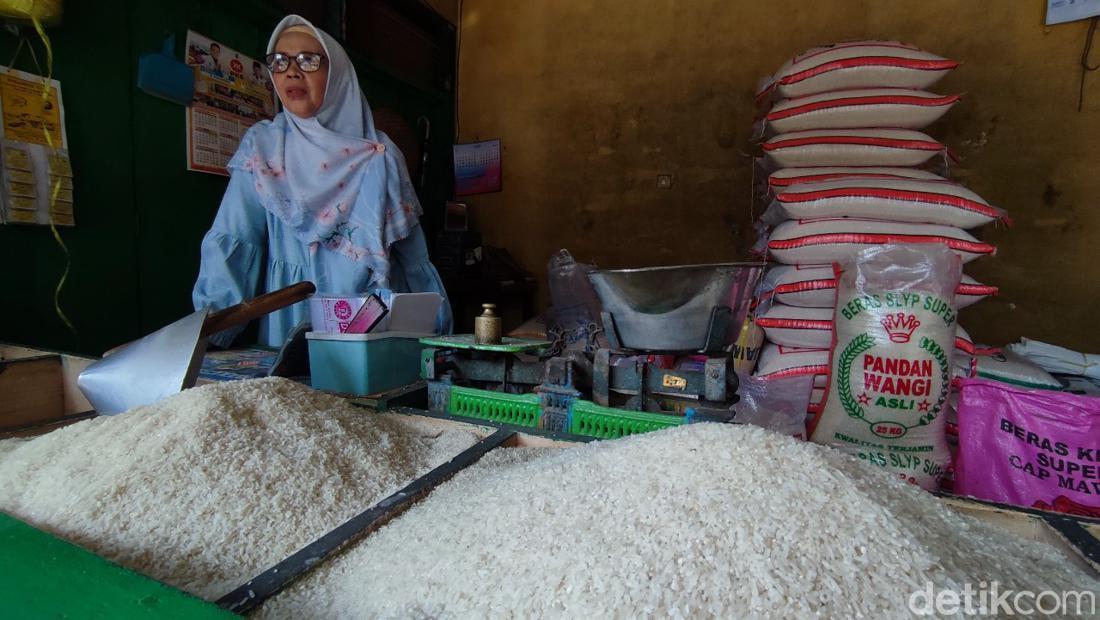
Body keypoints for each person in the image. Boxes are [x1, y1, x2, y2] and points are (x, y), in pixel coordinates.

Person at [192, 15, 452, 348]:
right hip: (286, 322)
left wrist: (438, 335)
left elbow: (411, 257)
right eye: (279, 61)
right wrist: (210, 332)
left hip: (369, 330)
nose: (292, 71)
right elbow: (235, 240)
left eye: (308, 60)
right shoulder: (263, 150)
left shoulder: (380, 156)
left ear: (338, 74)